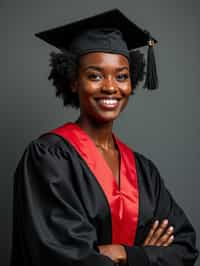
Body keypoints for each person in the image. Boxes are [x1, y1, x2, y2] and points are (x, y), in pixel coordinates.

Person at [10, 9, 198, 266]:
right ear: (73, 81)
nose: (111, 86)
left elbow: (185, 246)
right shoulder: (49, 158)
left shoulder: (143, 170)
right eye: (95, 75)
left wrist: (125, 253)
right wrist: (148, 256)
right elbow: (65, 258)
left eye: (121, 76)